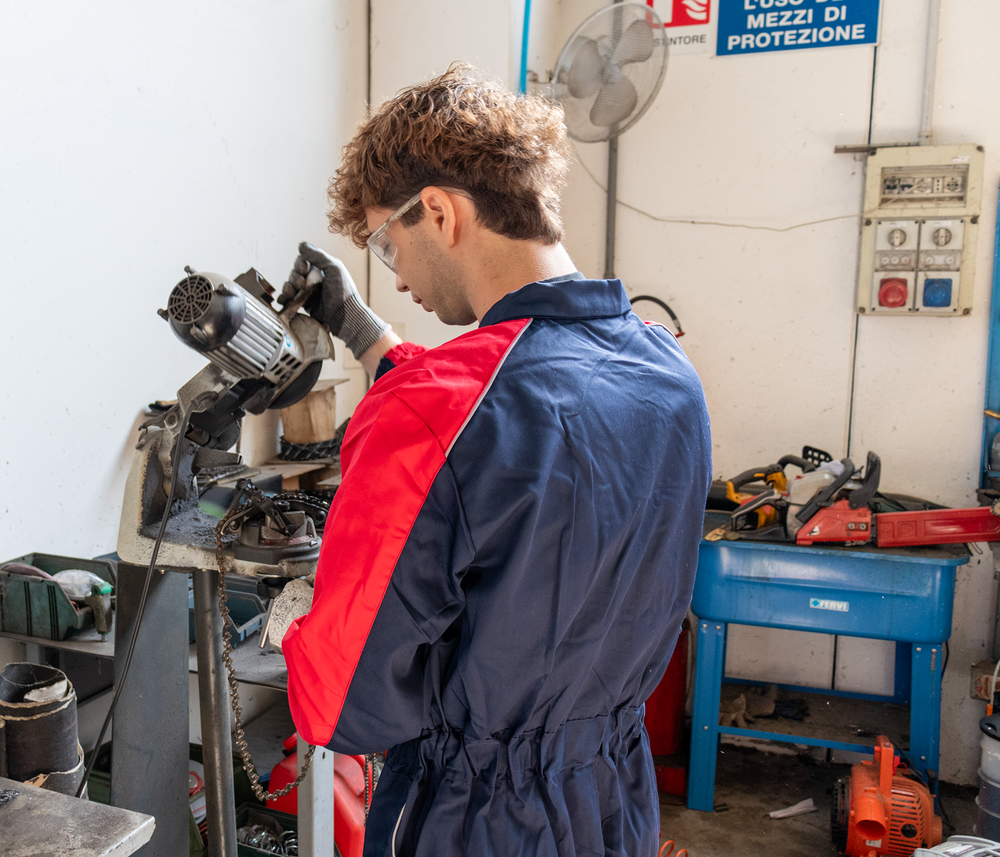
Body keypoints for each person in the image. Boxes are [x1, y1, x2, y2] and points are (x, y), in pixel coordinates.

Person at [277, 62, 712, 857]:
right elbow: (509, 410)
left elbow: (342, 706)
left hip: (473, 821)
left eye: (385, 239)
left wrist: (295, 627)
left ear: (439, 211)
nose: (395, 271)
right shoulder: (668, 372)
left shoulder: (431, 412)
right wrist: (360, 328)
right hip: (615, 795)